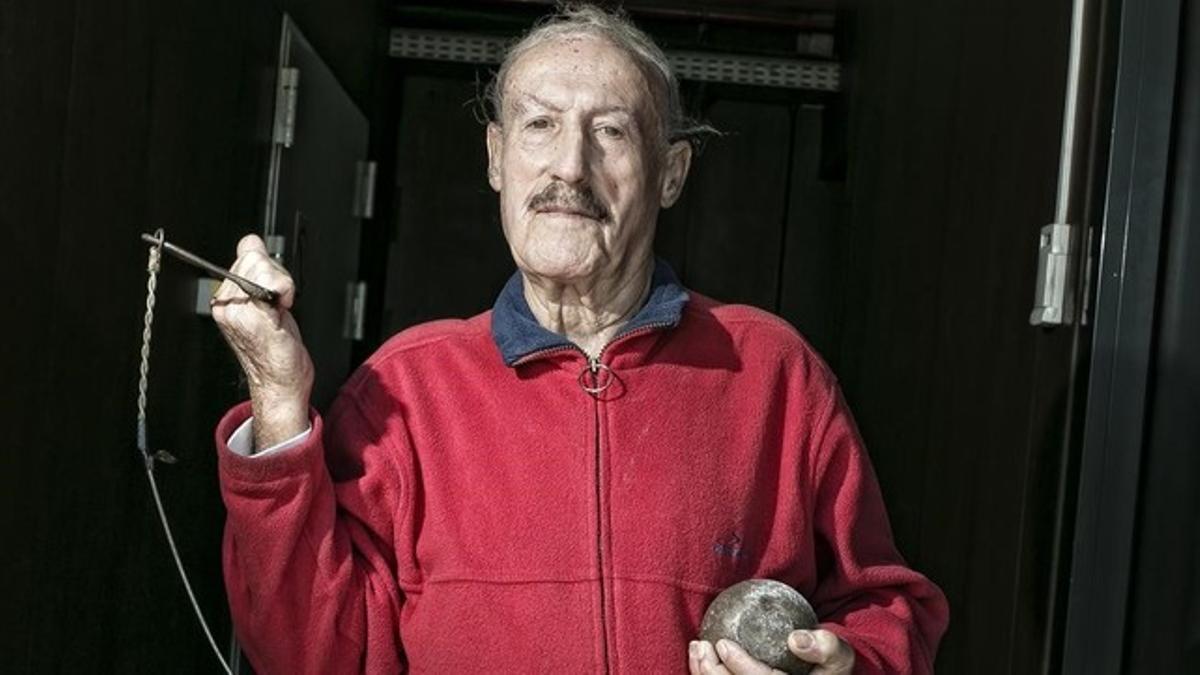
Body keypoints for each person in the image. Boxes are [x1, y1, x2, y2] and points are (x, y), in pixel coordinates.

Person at [211, 5, 948, 674]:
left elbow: (888, 612)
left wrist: (852, 666)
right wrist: (278, 403)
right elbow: (309, 652)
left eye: (612, 131)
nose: (570, 165)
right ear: (496, 157)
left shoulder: (773, 371)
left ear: (671, 173)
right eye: (540, 125)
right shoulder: (404, 389)